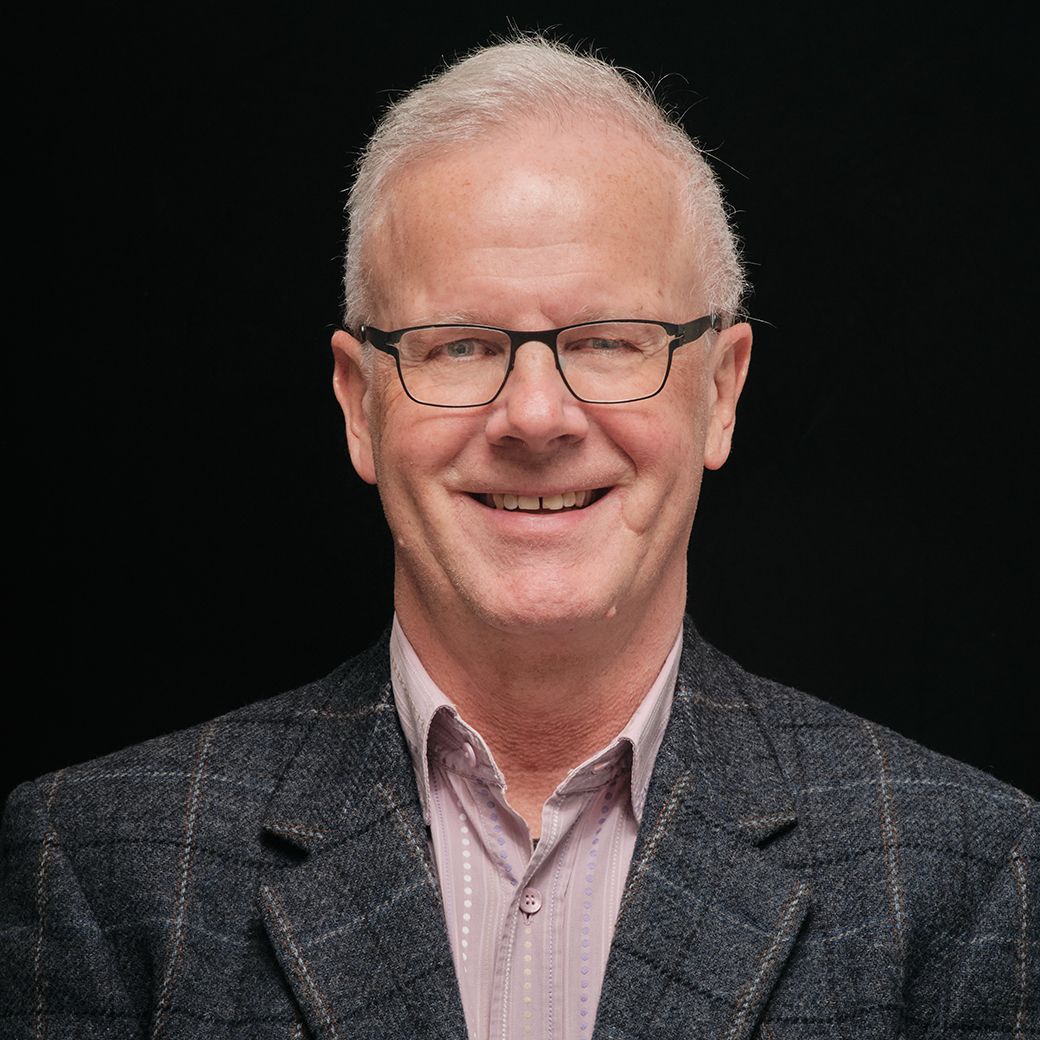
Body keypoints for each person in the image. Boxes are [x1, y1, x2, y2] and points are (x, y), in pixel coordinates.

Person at [2, 36, 1035, 1040]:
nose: (535, 417)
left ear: (720, 392)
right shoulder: (106, 870)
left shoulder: (963, 874)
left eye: (607, 341)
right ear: (359, 405)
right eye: (458, 346)